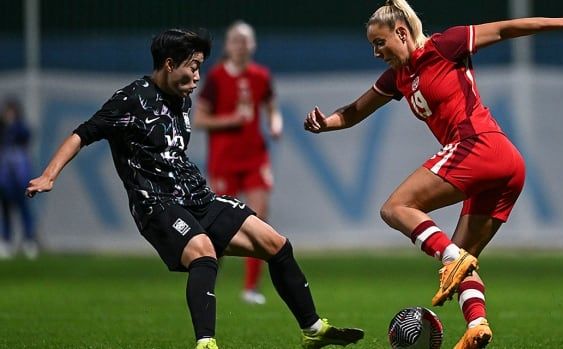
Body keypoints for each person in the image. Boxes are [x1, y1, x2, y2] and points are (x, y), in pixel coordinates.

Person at [26, 28, 363, 349]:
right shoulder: (131, 99)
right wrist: (49, 175)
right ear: (170, 64)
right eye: (193, 67)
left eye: (200, 67)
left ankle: (313, 330)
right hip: (156, 204)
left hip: (198, 197)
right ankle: (206, 342)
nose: (198, 76)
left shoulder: (182, 99)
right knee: (203, 252)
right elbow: (82, 133)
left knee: (275, 244)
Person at [304, 1, 563, 348]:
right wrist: (326, 123)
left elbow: (506, 29)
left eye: (379, 42)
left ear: (401, 32)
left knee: (395, 209)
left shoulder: (445, 45)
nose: (376, 52)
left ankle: (451, 257)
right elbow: (355, 111)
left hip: (480, 145)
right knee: (461, 264)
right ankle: (477, 325)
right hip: (504, 164)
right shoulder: (398, 77)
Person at [194, 21, 283, 305]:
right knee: (217, 227)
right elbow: (199, 120)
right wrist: (230, 120)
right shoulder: (216, 78)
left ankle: (251, 288)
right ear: (228, 45)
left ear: (252, 46)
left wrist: (274, 124)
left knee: (258, 221)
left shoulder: (261, 76)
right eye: (236, 41)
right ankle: (207, 285)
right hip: (224, 161)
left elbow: (271, 108)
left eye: (246, 41)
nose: (241, 46)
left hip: (255, 157)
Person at [0, 98, 37, 259]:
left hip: (20, 176)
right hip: (5, 177)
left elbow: (27, 135)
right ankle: (6, 241)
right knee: (6, 210)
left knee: (24, 210)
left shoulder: (20, 129)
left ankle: (29, 241)